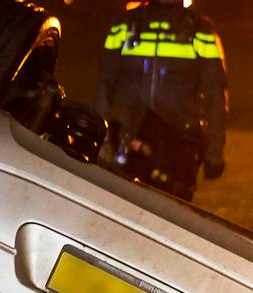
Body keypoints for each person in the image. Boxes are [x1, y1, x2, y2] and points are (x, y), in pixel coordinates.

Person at [96, 0, 229, 202]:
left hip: (178, 145)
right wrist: (101, 138)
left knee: (170, 219)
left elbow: (215, 93)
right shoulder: (124, 26)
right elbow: (105, 84)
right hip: (129, 142)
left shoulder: (200, 30)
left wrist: (215, 150)